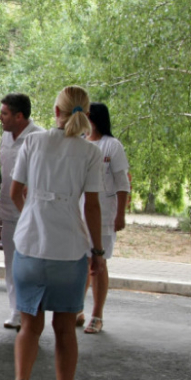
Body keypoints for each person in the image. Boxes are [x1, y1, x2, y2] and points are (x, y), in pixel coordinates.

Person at [4, 86, 105, 380]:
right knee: (64, 329)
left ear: (56, 111)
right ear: (86, 114)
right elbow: (91, 206)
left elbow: (15, 192)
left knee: (29, 326)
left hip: (30, 246)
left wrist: (30, 216)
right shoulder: (90, 153)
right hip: (69, 251)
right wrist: (97, 250)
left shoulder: (32, 142)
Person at [77, 103, 130, 334]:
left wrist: (120, 214)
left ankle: (97, 316)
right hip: (78, 214)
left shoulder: (112, 145)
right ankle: (77, 310)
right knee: (81, 264)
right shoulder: (78, 143)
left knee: (97, 264)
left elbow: (122, 183)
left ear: (93, 118)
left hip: (104, 214)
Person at [0, 93, 45, 330]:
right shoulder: (6, 137)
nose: (1, 118)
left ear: (19, 116)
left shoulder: (39, 137)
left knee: (30, 266)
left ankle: (31, 311)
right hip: (9, 212)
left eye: (5, 114)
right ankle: (16, 310)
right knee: (12, 264)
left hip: (31, 214)